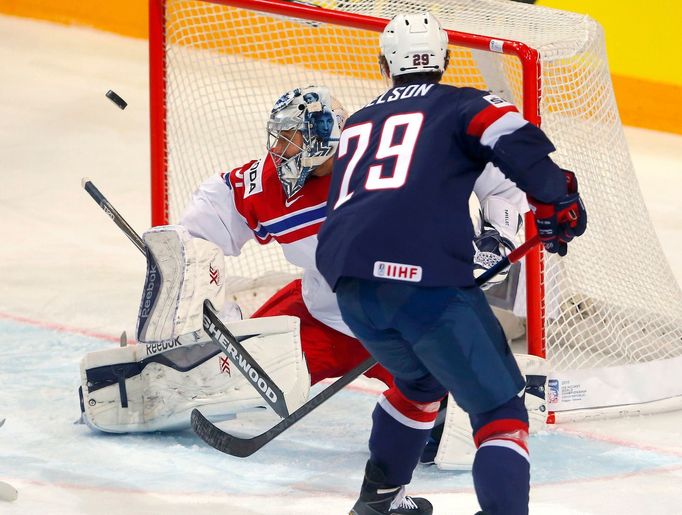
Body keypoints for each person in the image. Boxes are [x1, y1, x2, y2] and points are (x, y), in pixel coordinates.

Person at [77, 85, 535, 465]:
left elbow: (495, 178)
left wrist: (493, 242)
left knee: (442, 438)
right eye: (277, 138)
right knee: (227, 368)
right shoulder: (274, 184)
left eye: (289, 139)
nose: (278, 150)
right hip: (321, 317)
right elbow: (213, 214)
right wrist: (182, 273)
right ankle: (151, 382)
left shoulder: (387, 168)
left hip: (410, 324)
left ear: (320, 137)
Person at [315, 12, 586, 515]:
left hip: (350, 285)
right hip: (424, 286)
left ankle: (379, 503)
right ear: (443, 59)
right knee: (500, 409)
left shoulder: (358, 122)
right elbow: (516, 139)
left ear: (385, 65)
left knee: (420, 384)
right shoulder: (461, 102)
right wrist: (557, 200)